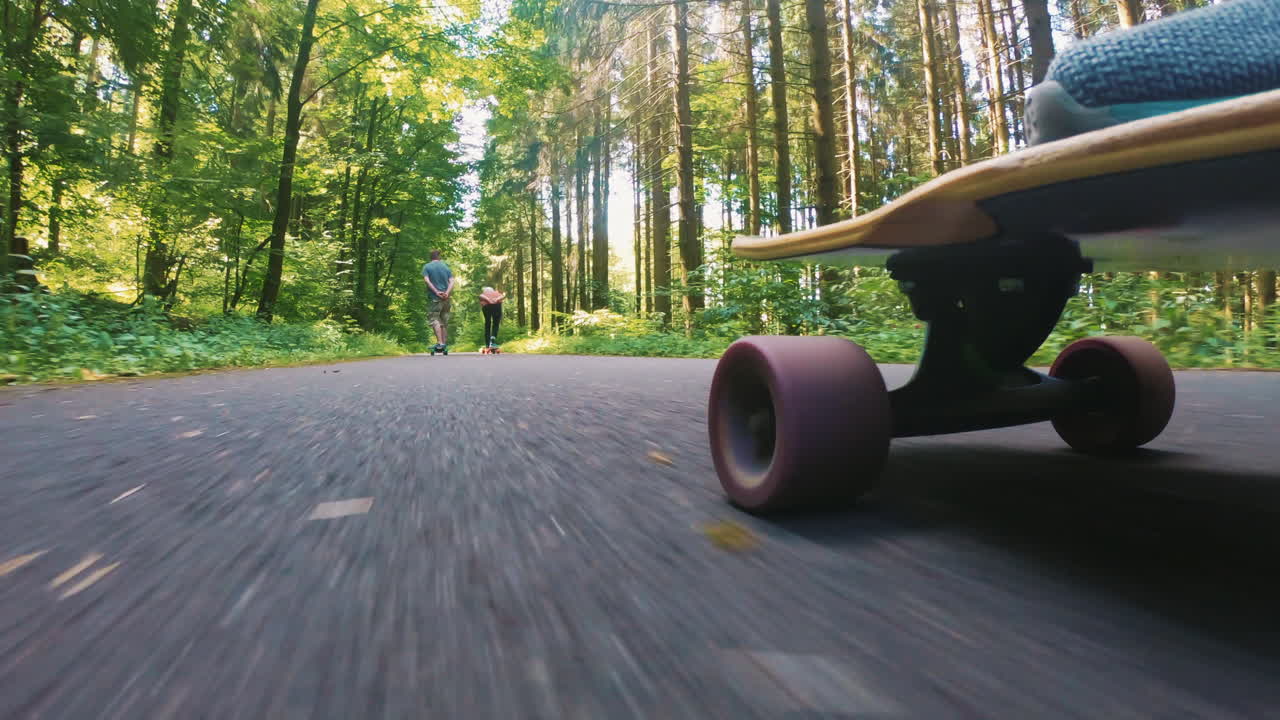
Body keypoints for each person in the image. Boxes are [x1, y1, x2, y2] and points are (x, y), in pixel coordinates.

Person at [422, 250, 455, 352]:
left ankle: (440, 343)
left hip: (435, 298)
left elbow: (427, 280)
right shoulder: (445, 267)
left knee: (434, 319)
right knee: (444, 321)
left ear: (430, 257)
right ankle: (444, 344)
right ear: (439, 258)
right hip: (446, 298)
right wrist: (447, 293)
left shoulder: (427, 267)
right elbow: (452, 281)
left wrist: (436, 292)